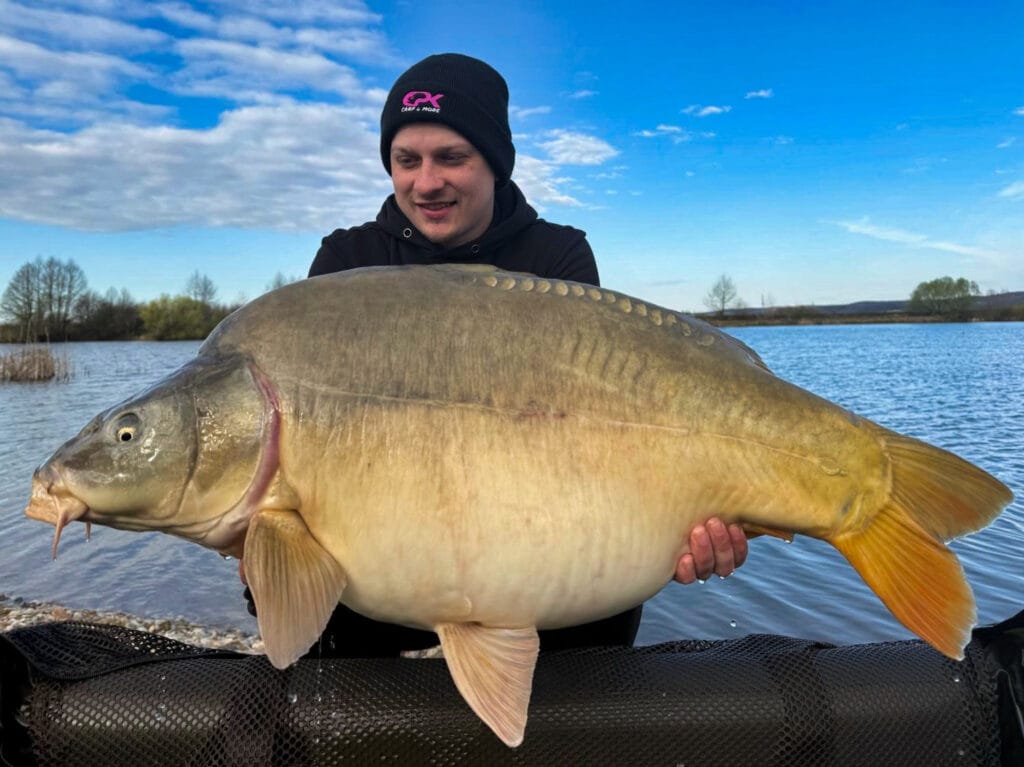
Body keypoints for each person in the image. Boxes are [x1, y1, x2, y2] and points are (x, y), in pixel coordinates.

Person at [243, 53, 747, 655]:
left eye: (452, 158)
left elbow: (598, 444)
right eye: (407, 161)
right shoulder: (346, 265)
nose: (426, 182)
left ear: (496, 165)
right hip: (374, 621)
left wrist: (684, 523)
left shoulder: (557, 259)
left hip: (551, 596)